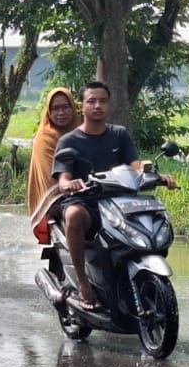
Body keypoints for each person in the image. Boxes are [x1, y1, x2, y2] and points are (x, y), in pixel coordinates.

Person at [49, 81, 176, 311]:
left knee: (152, 217)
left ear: (108, 104)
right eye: (91, 101)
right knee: (74, 215)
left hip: (119, 203)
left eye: (103, 101)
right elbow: (62, 178)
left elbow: (135, 164)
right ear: (82, 106)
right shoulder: (69, 141)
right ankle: (83, 281)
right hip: (86, 202)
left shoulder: (119, 134)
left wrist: (158, 175)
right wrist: (69, 184)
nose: (97, 106)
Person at [26, 86, 78, 231]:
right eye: (55, 108)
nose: (61, 113)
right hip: (54, 198)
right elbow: (52, 177)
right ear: (49, 111)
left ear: (73, 108)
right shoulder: (45, 138)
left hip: (82, 189)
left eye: (65, 107)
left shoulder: (80, 128)